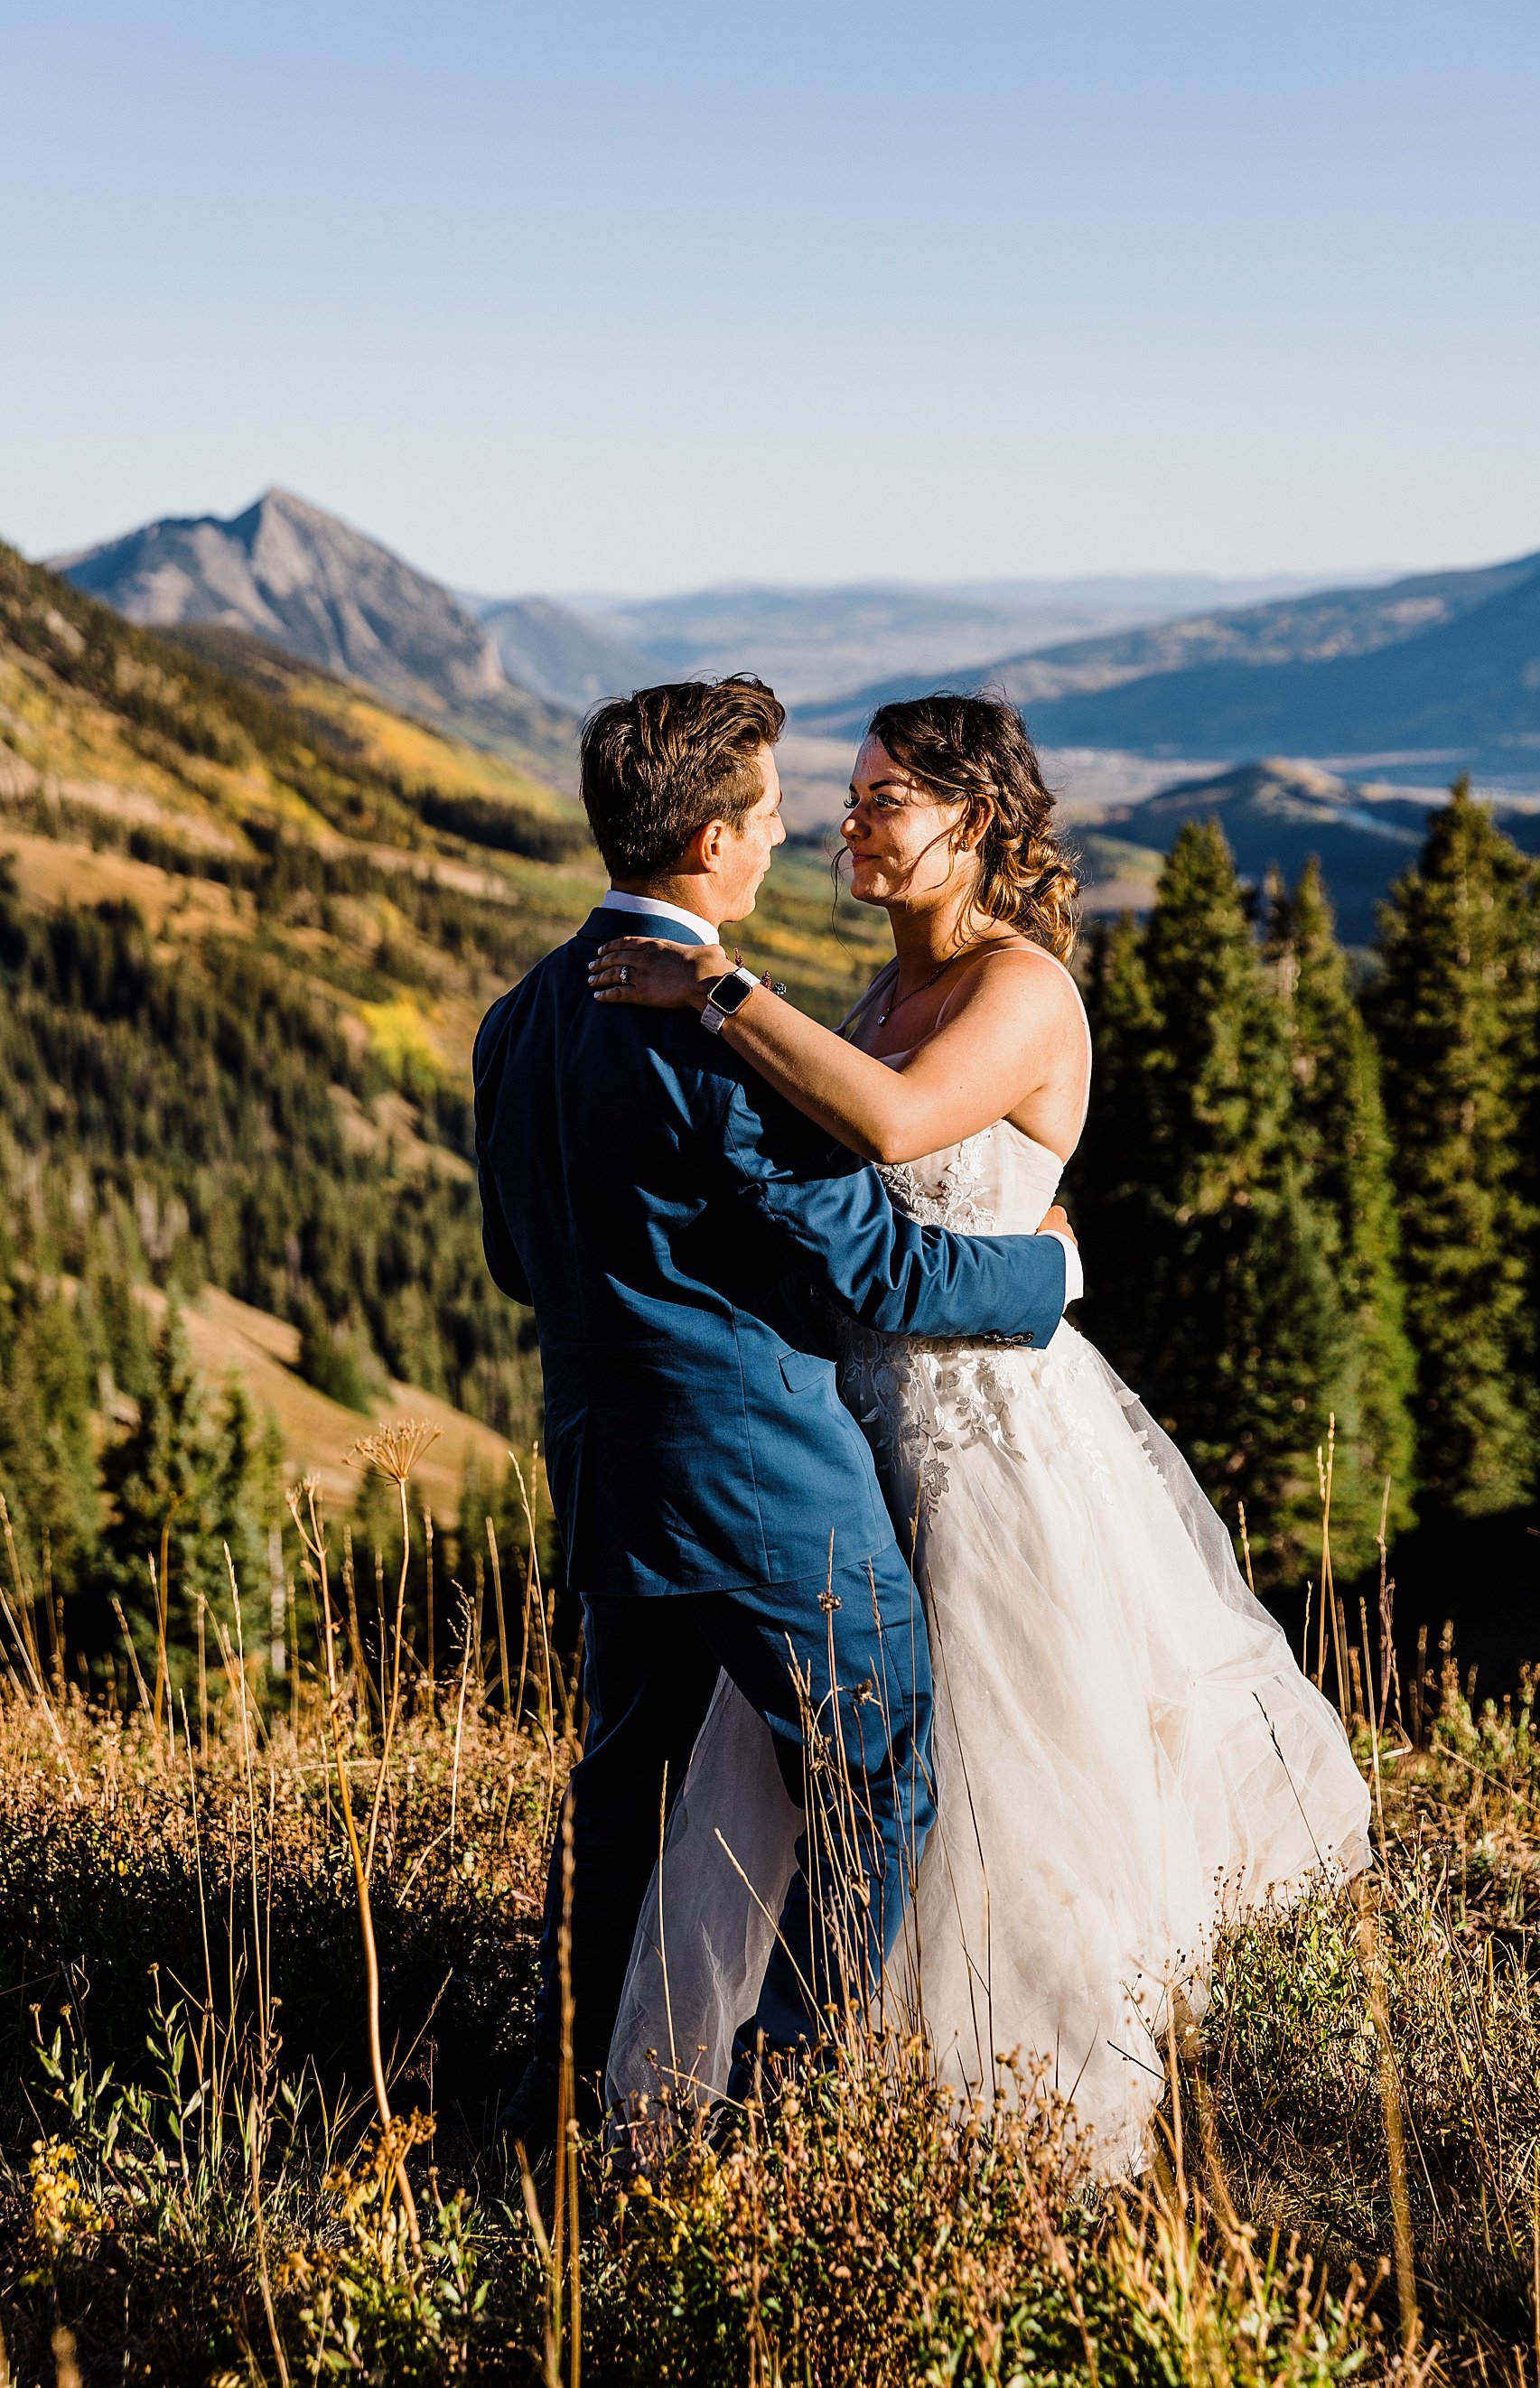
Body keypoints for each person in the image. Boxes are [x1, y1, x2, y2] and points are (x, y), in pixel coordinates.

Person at [589, 691, 1372, 2174]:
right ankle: (809, 2090)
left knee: (1003, 1766)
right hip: (856, 1433)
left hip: (991, 1434)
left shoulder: (1027, 990)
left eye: (887, 797)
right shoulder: (876, 997)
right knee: (832, 1772)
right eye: (853, 795)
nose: (850, 820)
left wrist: (717, 991)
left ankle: (1002, 2108)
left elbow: (891, 1132)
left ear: (980, 822)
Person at [472, 677, 1082, 2153]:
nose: (788, 830)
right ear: (704, 837)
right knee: (879, 1760)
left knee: (628, 1783)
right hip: (761, 1472)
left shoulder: (520, 1016)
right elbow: (875, 1262)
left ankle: (559, 2096)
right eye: (767, 811)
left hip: (603, 1461)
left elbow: (512, 1257)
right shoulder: (715, 1043)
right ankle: (786, 2119)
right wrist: (1049, 1271)